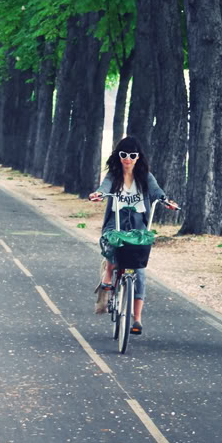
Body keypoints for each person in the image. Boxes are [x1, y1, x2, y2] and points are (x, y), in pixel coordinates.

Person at [89, 136, 178, 336]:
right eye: (123, 155)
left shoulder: (145, 176)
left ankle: (137, 318)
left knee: (139, 271)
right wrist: (99, 194)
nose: (127, 159)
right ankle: (109, 272)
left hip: (138, 223)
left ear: (138, 157)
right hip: (117, 219)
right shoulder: (113, 175)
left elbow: (157, 192)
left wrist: (166, 201)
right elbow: (104, 188)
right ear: (118, 156)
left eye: (132, 155)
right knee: (112, 241)